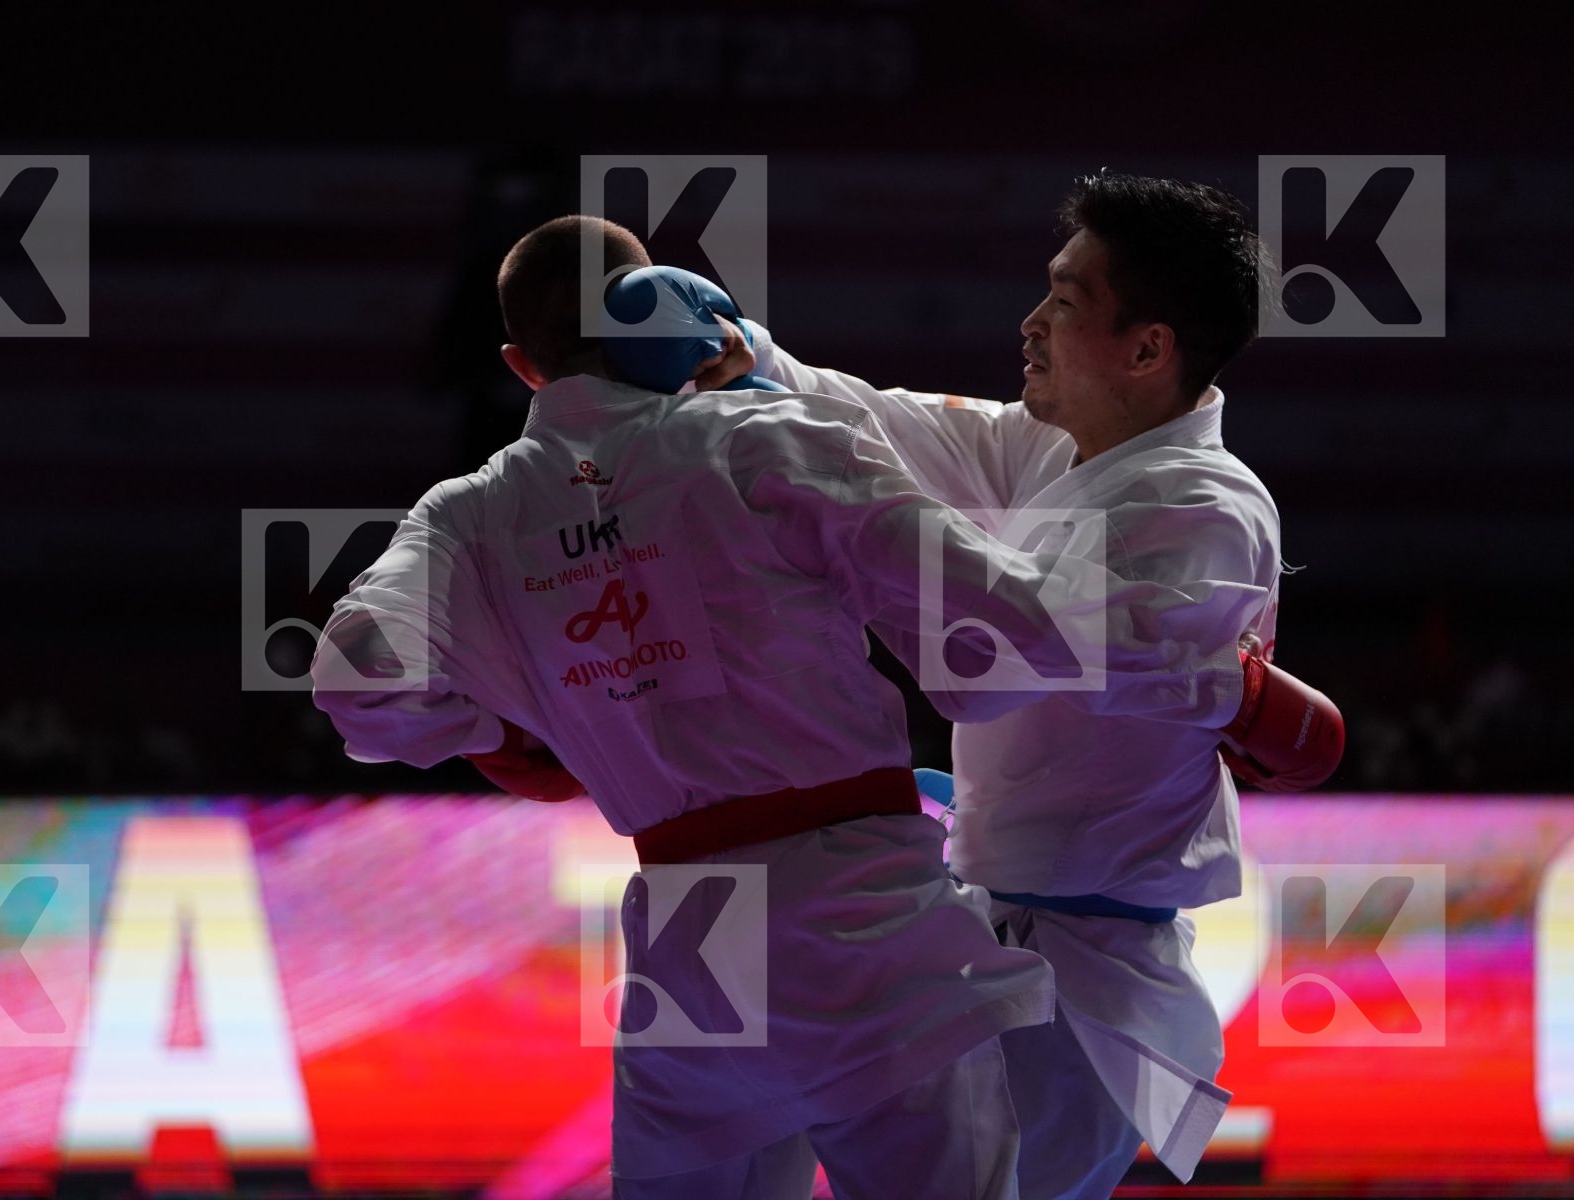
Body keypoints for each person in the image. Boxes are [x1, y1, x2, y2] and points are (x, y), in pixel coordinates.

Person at [311, 214, 1266, 1200]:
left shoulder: (468, 510)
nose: (1031, 322)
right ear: (668, 316)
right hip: (854, 914)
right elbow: (1002, 648)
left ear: (521, 362)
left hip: (685, 942)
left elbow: (358, 683)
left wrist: (508, 731)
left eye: (1062, 299)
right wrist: (1216, 676)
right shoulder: (768, 438)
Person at [706, 171, 1342, 1198]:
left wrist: (847, 508)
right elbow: (874, 420)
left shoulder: (1205, 512)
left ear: (1148, 349)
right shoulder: (1046, 448)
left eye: (1065, 300)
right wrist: (741, 357)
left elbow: (998, 661)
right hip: (982, 935)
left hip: (1085, 983)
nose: (1031, 322)